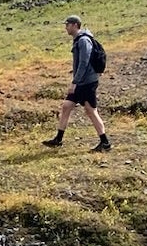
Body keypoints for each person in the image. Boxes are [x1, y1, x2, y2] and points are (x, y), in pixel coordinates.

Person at [44, 15, 110, 152]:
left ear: (75, 25)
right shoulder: (79, 40)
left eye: (67, 25)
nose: (65, 27)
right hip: (82, 81)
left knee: (90, 111)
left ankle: (105, 142)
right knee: (66, 106)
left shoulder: (83, 41)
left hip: (86, 82)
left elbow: (84, 63)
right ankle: (58, 139)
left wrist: (75, 82)